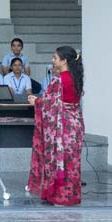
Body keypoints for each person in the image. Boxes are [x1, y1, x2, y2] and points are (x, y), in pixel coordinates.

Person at [28, 46, 85, 206]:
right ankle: (71, 196)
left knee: (58, 160)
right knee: (71, 162)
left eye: (55, 57)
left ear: (64, 60)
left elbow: (48, 103)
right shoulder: (76, 77)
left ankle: (60, 197)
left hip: (62, 126)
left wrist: (35, 101)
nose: (53, 60)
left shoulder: (58, 80)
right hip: (75, 125)